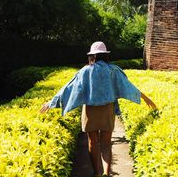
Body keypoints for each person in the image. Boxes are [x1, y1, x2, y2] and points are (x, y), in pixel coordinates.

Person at [40, 41, 156, 177]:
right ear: (105, 55)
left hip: (90, 111)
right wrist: (145, 98)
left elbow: (69, 88)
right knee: (106, 143)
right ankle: (106, 172)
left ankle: (97, 173)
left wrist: (51, 102)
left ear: (92, 56)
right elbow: (128, 86)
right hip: (108, 110)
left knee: (92, 142)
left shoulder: (85, 71)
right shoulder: (114, 70)